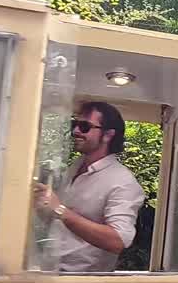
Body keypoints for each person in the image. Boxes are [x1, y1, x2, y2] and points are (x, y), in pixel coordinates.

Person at [33, 101, 146, 272]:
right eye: (75, 124)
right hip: (50, 272)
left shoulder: (123, 182)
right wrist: (44, 208)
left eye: (85, 126)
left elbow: (118, 241)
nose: (76, 131)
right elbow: (64, 223)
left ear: (108, 135)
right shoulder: (75, 167)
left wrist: (60, 210)